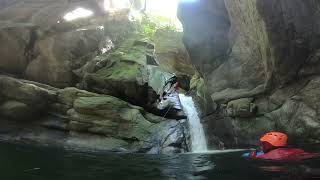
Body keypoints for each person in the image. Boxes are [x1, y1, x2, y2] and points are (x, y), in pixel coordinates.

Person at [242, 132, 319, 161]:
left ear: (270, 144)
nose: (261, 146)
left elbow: (258, 158)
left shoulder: (268, 155)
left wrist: (253, 156)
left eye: (263, 143)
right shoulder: (296, 150)